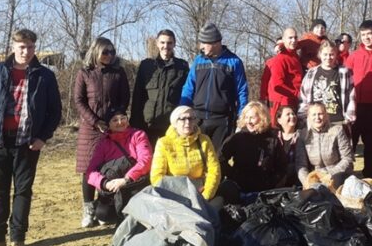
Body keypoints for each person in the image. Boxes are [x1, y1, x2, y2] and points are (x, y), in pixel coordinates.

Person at [0, 29, 62, 246]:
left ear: (35, 48)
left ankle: (17, 240)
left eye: (30, 47)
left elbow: (55, 112)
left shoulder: (45, 76)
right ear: (13, 47)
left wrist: (43, 137)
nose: (26, 51)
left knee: (23, 192)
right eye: (22, 47)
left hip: (27, 143)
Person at [74, 37, 131, 228]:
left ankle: (103, 207)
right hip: (90, 129)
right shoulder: (85, 72)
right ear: (96, 51)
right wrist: (95, 121)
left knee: (110, 167)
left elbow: (125, 98)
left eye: (112, 52)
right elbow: (79, 100)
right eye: (105, 52)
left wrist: (115, 119)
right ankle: (88, 209)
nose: (109, 55)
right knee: (88, 170)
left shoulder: (119, 72)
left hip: (113, 128)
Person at [180, 22, 249, 151]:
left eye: (204, 43)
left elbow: (242, 91)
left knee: (218, 159)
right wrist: (182, 109)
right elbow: (189, 87)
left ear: (215, 43)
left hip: (222, 121)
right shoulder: (198, 61)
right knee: (196, 158)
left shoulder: (234, 62)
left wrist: (242, 116)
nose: (201, 47)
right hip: (198, 119)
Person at [85, 108, 152, 223]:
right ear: (108, 124)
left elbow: (146, 160)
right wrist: (105, 183)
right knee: (103, 214)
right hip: (113, 188)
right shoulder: (103, 143)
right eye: (115, 120)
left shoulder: (138, 135)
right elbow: (90, 171)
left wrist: (126, 179)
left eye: (123, 118)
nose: (120, 122)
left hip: (134, 184)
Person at [130, 29, 189, 146]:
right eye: (162, 42)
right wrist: (135, 123)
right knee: (147, 160)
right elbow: (138, 95)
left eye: (169, 43)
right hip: (147, 124)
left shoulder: (182, 67)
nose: (165, 46)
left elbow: (186, 95)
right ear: (157, 43)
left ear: (174, 44)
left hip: (171, 125)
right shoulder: (146, 65)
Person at [345, 20, 372, 178]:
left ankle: (371, 177)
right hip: (354, 107)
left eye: (370, 34)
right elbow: (345, 79)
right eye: (363, 35)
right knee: (349, 144)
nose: (367, 38)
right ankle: (346, 176)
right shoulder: (354, 56)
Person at [150, 105, 221, 200]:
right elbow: (157, 176)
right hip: (173, 193)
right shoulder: (163, 143)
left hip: (200, 192)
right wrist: (175, 197)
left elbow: (214, 170)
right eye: (182, 119)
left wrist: (206, 195)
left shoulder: (204, 140)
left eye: (191, 118)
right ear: (175, 123)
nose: (187, 122)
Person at [219, 102, 287, 194]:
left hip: (264, 190)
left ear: (262, 118)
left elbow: (281, 166)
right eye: (246, 117)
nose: (248, 121)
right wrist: (232, 175)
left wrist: (271, 183)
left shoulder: (272, 140)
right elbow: (220, 157)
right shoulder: (237, 138)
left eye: (252, 118)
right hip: (240, 188)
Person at [298, 39, 356, 125]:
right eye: (325, 54)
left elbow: (351, 95)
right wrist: (302, 116)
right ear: (320, 54)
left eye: (331, 54)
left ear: (336, 55)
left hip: (338, 121)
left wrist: (349, 117)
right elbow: (303, 97)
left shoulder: (344, 72)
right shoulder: (311, 73)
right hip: (316, 121)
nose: (328, 58)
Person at [296, 102, 354, 188]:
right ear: (308, 117)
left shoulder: (337, 130)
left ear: (326, 115)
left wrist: (329, 175)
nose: (317, 118)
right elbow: (301, 165)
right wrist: (307, 182)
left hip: (337, 174)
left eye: (320, 114)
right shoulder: (302, 135)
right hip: (316, 177)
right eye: (314, 115)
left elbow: (347, 158)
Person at [259, 27, 303, 126]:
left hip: (294, 102)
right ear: (283, 40)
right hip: (282, 104)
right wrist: (297, 94)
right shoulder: (280, 59)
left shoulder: (295, 57)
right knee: (279, 133)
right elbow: (277, 85)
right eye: (290, 38)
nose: (293, 40)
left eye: (296, 38)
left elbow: (306, 42)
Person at [276, 105, 301, 188]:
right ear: (279, 120)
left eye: (293, 114)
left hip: (296, 183)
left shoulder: (302, 136)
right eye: (288, 114)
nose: (292, 116)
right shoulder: (274, 137)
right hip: (276, 182)